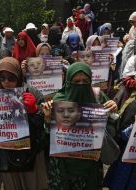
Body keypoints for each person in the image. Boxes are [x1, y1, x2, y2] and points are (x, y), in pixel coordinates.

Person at [0, 57, 48, 190]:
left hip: (31, 151)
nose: (6, 82)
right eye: (2, 78)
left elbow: (41, 125)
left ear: (19, 76)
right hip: (7, 153)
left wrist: (34, 111)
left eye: (11, 78)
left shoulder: (32, 92)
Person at [42, 62, 118, 190]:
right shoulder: (59, 100)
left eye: (85, 81)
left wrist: (113, 111)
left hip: (91, 166)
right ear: (68, 81)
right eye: (76, 81)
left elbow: (113, 128)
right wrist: (48, 119)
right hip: (64, 166)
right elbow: (48, 139)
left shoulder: (98, 97)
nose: (81, 85)